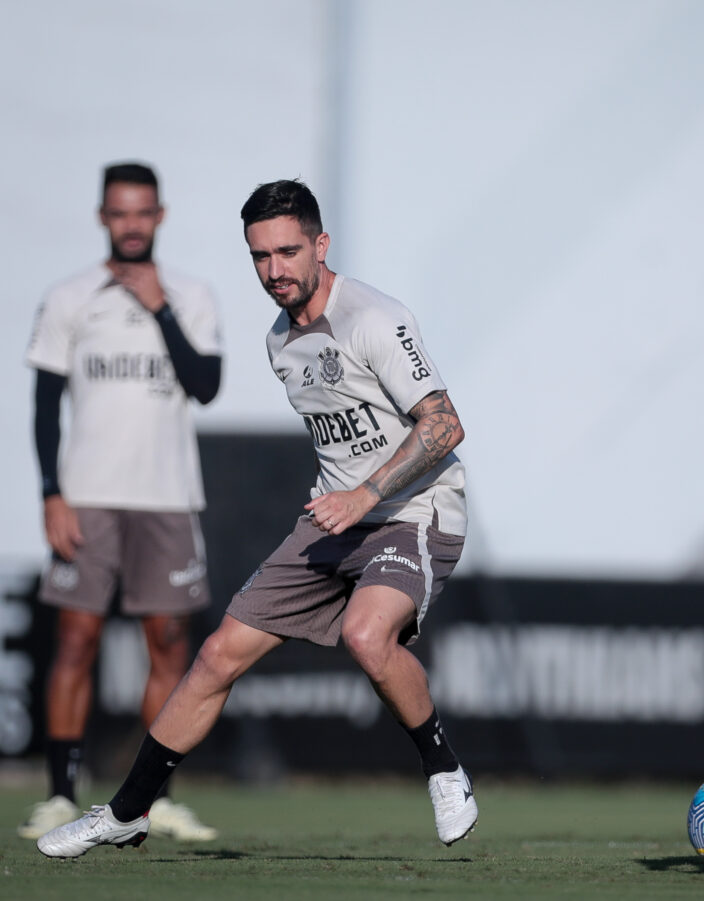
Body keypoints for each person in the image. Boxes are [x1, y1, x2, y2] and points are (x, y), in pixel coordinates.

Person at [37, 179, 477, 858]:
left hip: (413, 511)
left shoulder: (375, 318)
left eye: (289, 251)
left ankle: (443, 767)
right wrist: (345, 501)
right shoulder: (280, 341)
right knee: (215, 654)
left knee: (366, 634)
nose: (275, 270)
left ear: (321, 245)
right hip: (334, 521)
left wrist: (363, 496)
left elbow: (445, 425)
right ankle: (126, 811)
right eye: (260, 256)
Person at [21, 162, 223, 842]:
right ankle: (58, 793)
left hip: (166, 498)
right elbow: (45, 407)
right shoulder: (70, 297)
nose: (132, 224)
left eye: (143, 213)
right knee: (75, 640)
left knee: (168, 644)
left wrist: (158, 304)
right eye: (120, 213)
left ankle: (151, 797)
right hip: (89, 496)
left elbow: (205, 384)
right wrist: (52, 494)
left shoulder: (191, 295)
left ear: (159, 216)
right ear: (103, 217)